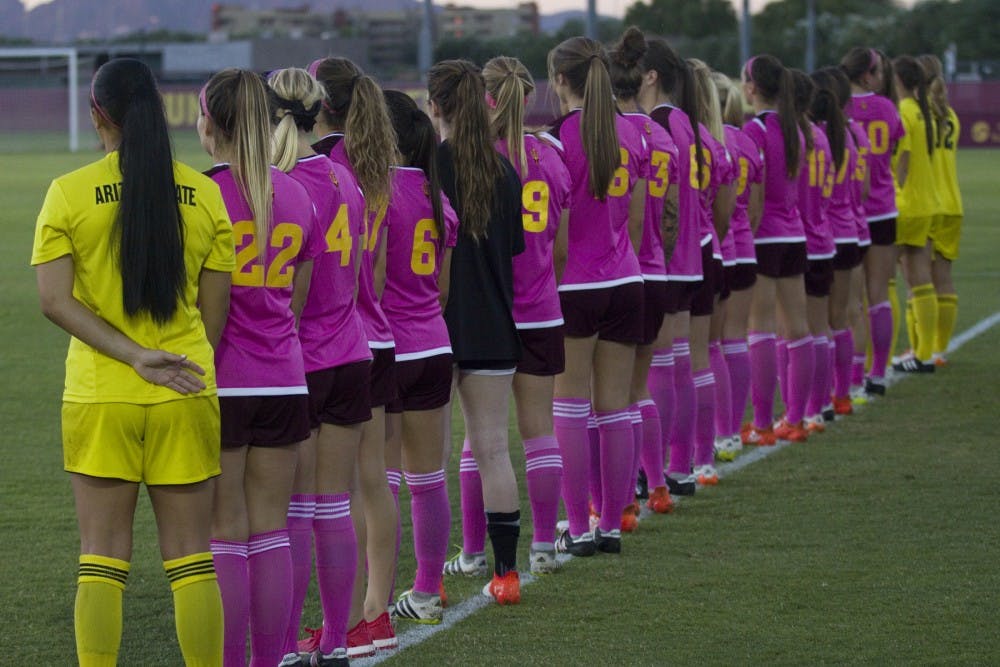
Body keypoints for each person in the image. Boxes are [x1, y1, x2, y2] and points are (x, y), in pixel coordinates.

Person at [33, 56, 231, 667]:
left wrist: (130, 356)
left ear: (100, 114)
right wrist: (171, 363)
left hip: (100, 395)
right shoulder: (204, 194)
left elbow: (53, 302)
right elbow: (215, 313)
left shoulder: (67, 193)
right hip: (186, 386)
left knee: (102, 555)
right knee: (192, 558)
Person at [199, 68, 323, 667]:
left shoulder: (201, 194)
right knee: (272, 532)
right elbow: (297, 300)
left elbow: (196, 305)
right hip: (283, 376)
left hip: (222, 382)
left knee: (225, 532)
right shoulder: (296, 192)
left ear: (210, 124)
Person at [267, 67, 389, 663]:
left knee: (291, 512)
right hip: (351, 352)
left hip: (303, 359)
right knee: (333, 506)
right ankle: (337, 641)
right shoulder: (347, 178)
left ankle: (288, 644)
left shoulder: (282, 185)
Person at [443, 55, 570, 574]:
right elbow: (556, 247)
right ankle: (543, 544)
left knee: (482, 438)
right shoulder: (550, 154)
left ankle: (474, 552)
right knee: (538, 429)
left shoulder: (477, 158)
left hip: (487, 312)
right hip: (539, 306)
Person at [308, 56, 402, 657]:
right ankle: (375, 612)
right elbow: (383, 267)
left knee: (330, 495)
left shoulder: (321, 167)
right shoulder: (373, 162)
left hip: (341, 337)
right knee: (372, 484)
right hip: (378, 332)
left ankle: (352, 619)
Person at [427, 58, 526, 601]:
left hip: (437, 326)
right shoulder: (504, 170)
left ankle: (431, 581)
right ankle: (506, 575)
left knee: (432, 459)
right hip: (492, 324)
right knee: (492, 449)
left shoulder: (429, 170)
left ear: (436, 107)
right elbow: (513, 250)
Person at [544, 37, 646, 556]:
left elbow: (557, 235)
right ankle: (610, 525)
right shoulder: (631, 132)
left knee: (570, 404)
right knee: (614, 407)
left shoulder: (558, 139)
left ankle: (577, 528)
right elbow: (638, 219)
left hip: (578, 285)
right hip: (627, 279)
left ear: (561, 80)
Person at [377, 89, 459, 623]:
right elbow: (444, 290)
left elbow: (373, 283)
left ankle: (373, 601)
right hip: (435, 343)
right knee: (429, 478)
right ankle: (427, 591)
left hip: (391, 348)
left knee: (380, 482)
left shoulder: (377, 195)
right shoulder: (438, 198)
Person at [608, 27, 678, 515]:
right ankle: (655, 483)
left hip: (617, 271)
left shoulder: (610, 134)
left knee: (605, 400)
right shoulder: (662, 136)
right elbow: (669, 215)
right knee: (638, 389)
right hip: (655, 271)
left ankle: (623, 498)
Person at [636, 35, 705, 497]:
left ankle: (654, 470)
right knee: (679, 363)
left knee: (660, 368)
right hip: (689, 255)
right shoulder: (685, 121)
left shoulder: (656, 124)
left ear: (651, 76)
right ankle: (678, 466)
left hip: (666, 254)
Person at [740, 54, 811, 445]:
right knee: (796, 330)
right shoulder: (795, 129)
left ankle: (764, 424)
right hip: (793, 233)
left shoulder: (755, 129)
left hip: (765, 236)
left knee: (762, 329)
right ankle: (796, 419)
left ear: (751, 87)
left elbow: (755, 194)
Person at [841, 47, 905, 396]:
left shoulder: (841, 110)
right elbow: (894, 148)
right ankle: (877, 374)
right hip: (882, 208)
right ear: (867, 75)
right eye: (878, 70)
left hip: (849, 213)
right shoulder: (887, 107)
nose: (882, 76)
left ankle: (851, 379)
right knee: (878, 294)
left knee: (850, 303)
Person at [687, 57, 736, 485]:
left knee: (672, 362)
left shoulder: (672, 135)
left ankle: (682, 459)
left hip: (679, 258)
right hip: (710, 251)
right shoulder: (713, 141)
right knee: (707, 354)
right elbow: (724, 214)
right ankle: (704, 454)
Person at [712, 69, 762, 461]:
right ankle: (734, 428)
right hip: (744, 246)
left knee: (708, 348)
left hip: (717, 250)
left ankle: (719, 432)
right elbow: (755, 209)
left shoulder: (706, 140)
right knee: (735, 340)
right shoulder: (745, 140)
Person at [810, 66, 863, 418]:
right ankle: (843, 394)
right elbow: (867, 188)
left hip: (822, 236)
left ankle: (821, 401)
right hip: (851, 231)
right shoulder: (853, 133)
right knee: (840, 319)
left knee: (816, 326)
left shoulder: (811, 136)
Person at [791, 69, 835, 433]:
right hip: (824, 238)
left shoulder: (794, 138)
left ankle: (800, 411)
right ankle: (819, 408)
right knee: (819, 331)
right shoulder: (820, 135)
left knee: (795, 333)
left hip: (799, 240)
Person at [891, 55, 940, 373]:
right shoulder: (925, 114)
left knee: (884, 283)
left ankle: (877, 362)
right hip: (926, 204)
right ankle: (924, 353)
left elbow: (902, 163)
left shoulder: (904, 113)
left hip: (903, 204)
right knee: (922, 282)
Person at [918, 53, 963, 365]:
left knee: (919, 279)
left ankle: (921, 350)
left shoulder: (921, 117)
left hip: (928, 203)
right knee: (943, 278)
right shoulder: (951, 116)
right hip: (953, 203)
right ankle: (940, 350)